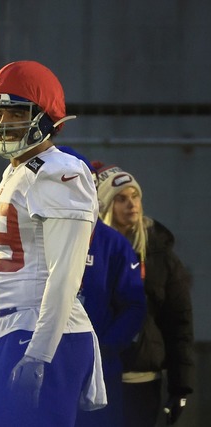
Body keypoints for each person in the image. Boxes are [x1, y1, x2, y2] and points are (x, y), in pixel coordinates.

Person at [0, 61, 106, 427]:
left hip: (45, 334)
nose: (2, 122)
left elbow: (65, 276)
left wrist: (39, 355)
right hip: (10, 327)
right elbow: (5, 268)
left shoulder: (60, 173)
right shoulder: (17, 170)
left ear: (46, 118)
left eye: (16, 111)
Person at [93, 162, 194, 426]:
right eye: (121, 199)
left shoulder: (161, 256)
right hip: (97, 376)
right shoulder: (90, 252)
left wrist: (180, 386)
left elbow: (179, 323)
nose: (132, 205)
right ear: (104, 206)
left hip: (144, 378)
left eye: (135, 196)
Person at [58, 147, 147, 427]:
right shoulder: (30, 235)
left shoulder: (112, 244)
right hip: (42, 360)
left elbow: (134, 305)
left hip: (97, 370)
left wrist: (103, 347)